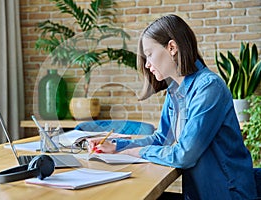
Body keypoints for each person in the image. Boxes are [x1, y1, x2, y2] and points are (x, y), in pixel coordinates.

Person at [87, 14, 257, 199]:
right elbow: (162, 138)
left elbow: (184, 155)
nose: (147, 64)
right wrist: (117, 146)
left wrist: (134, 152)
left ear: (172, 47)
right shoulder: (175, 90)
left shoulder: (209, 88)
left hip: (226, 194)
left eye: (149, 54)